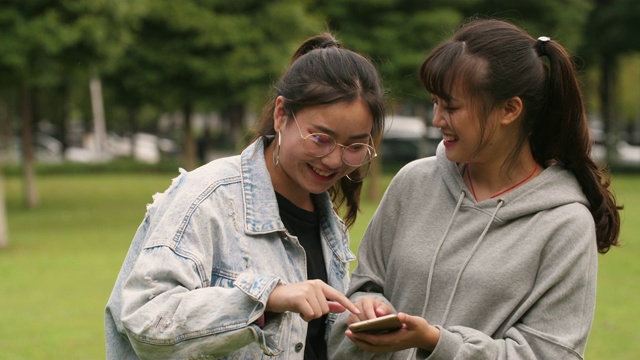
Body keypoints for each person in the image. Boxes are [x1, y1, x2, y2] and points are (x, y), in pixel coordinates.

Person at [328, 18, 622, 359]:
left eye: (451, 107)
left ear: (509, 110)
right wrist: (368, 308)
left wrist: (437, 343)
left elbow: (551, 354)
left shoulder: (565, 224)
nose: (437, 119)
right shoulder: (413, 182)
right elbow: (364, 285)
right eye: (435, 102)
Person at [105, 32, 386, 359]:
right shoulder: (206, 197)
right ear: (281, 114)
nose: (335, 160)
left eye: (354, 146)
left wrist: (358, 320)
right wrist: (266, 299)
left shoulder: (330, 227)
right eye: (321, 138)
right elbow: (146, 320)